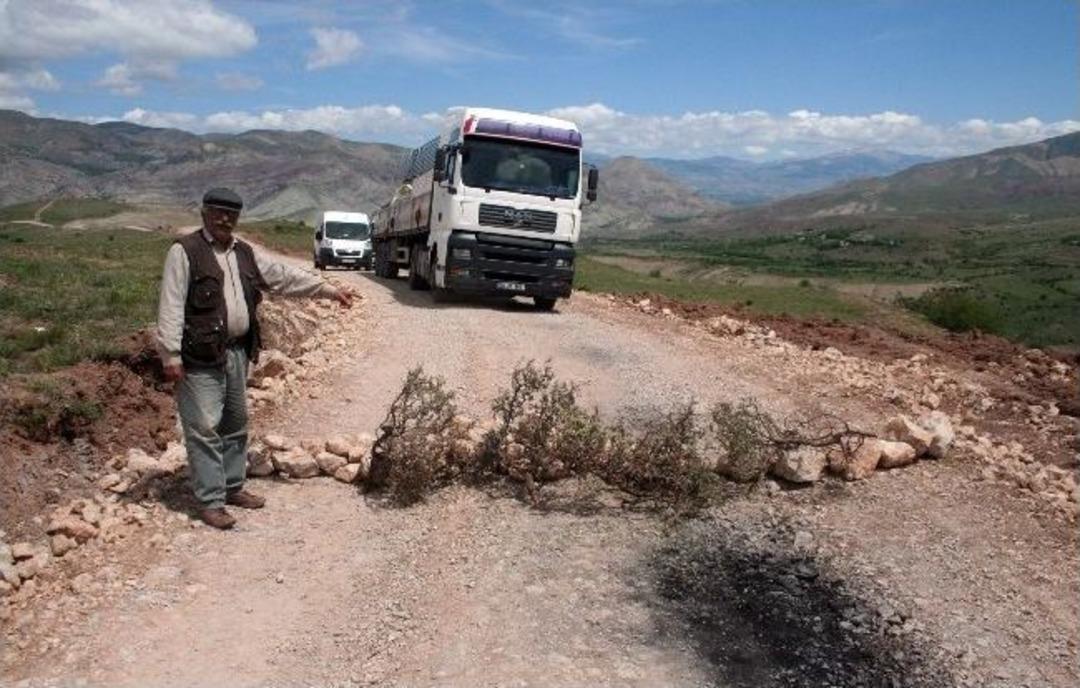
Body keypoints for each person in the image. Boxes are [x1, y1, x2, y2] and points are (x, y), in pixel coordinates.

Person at [156, 187, 354, 530]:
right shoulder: (185, 251)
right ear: (204, 213)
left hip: (236, 351)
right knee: (203, 427)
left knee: (235, 424)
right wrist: (170, 353)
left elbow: (282, 277)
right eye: (217, 212)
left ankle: (233, 487)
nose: (224, 219)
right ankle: (211, 500)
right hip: (199, 355)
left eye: (231, 214)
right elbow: (171, 304)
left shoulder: (244, 252)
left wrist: (328, 289)